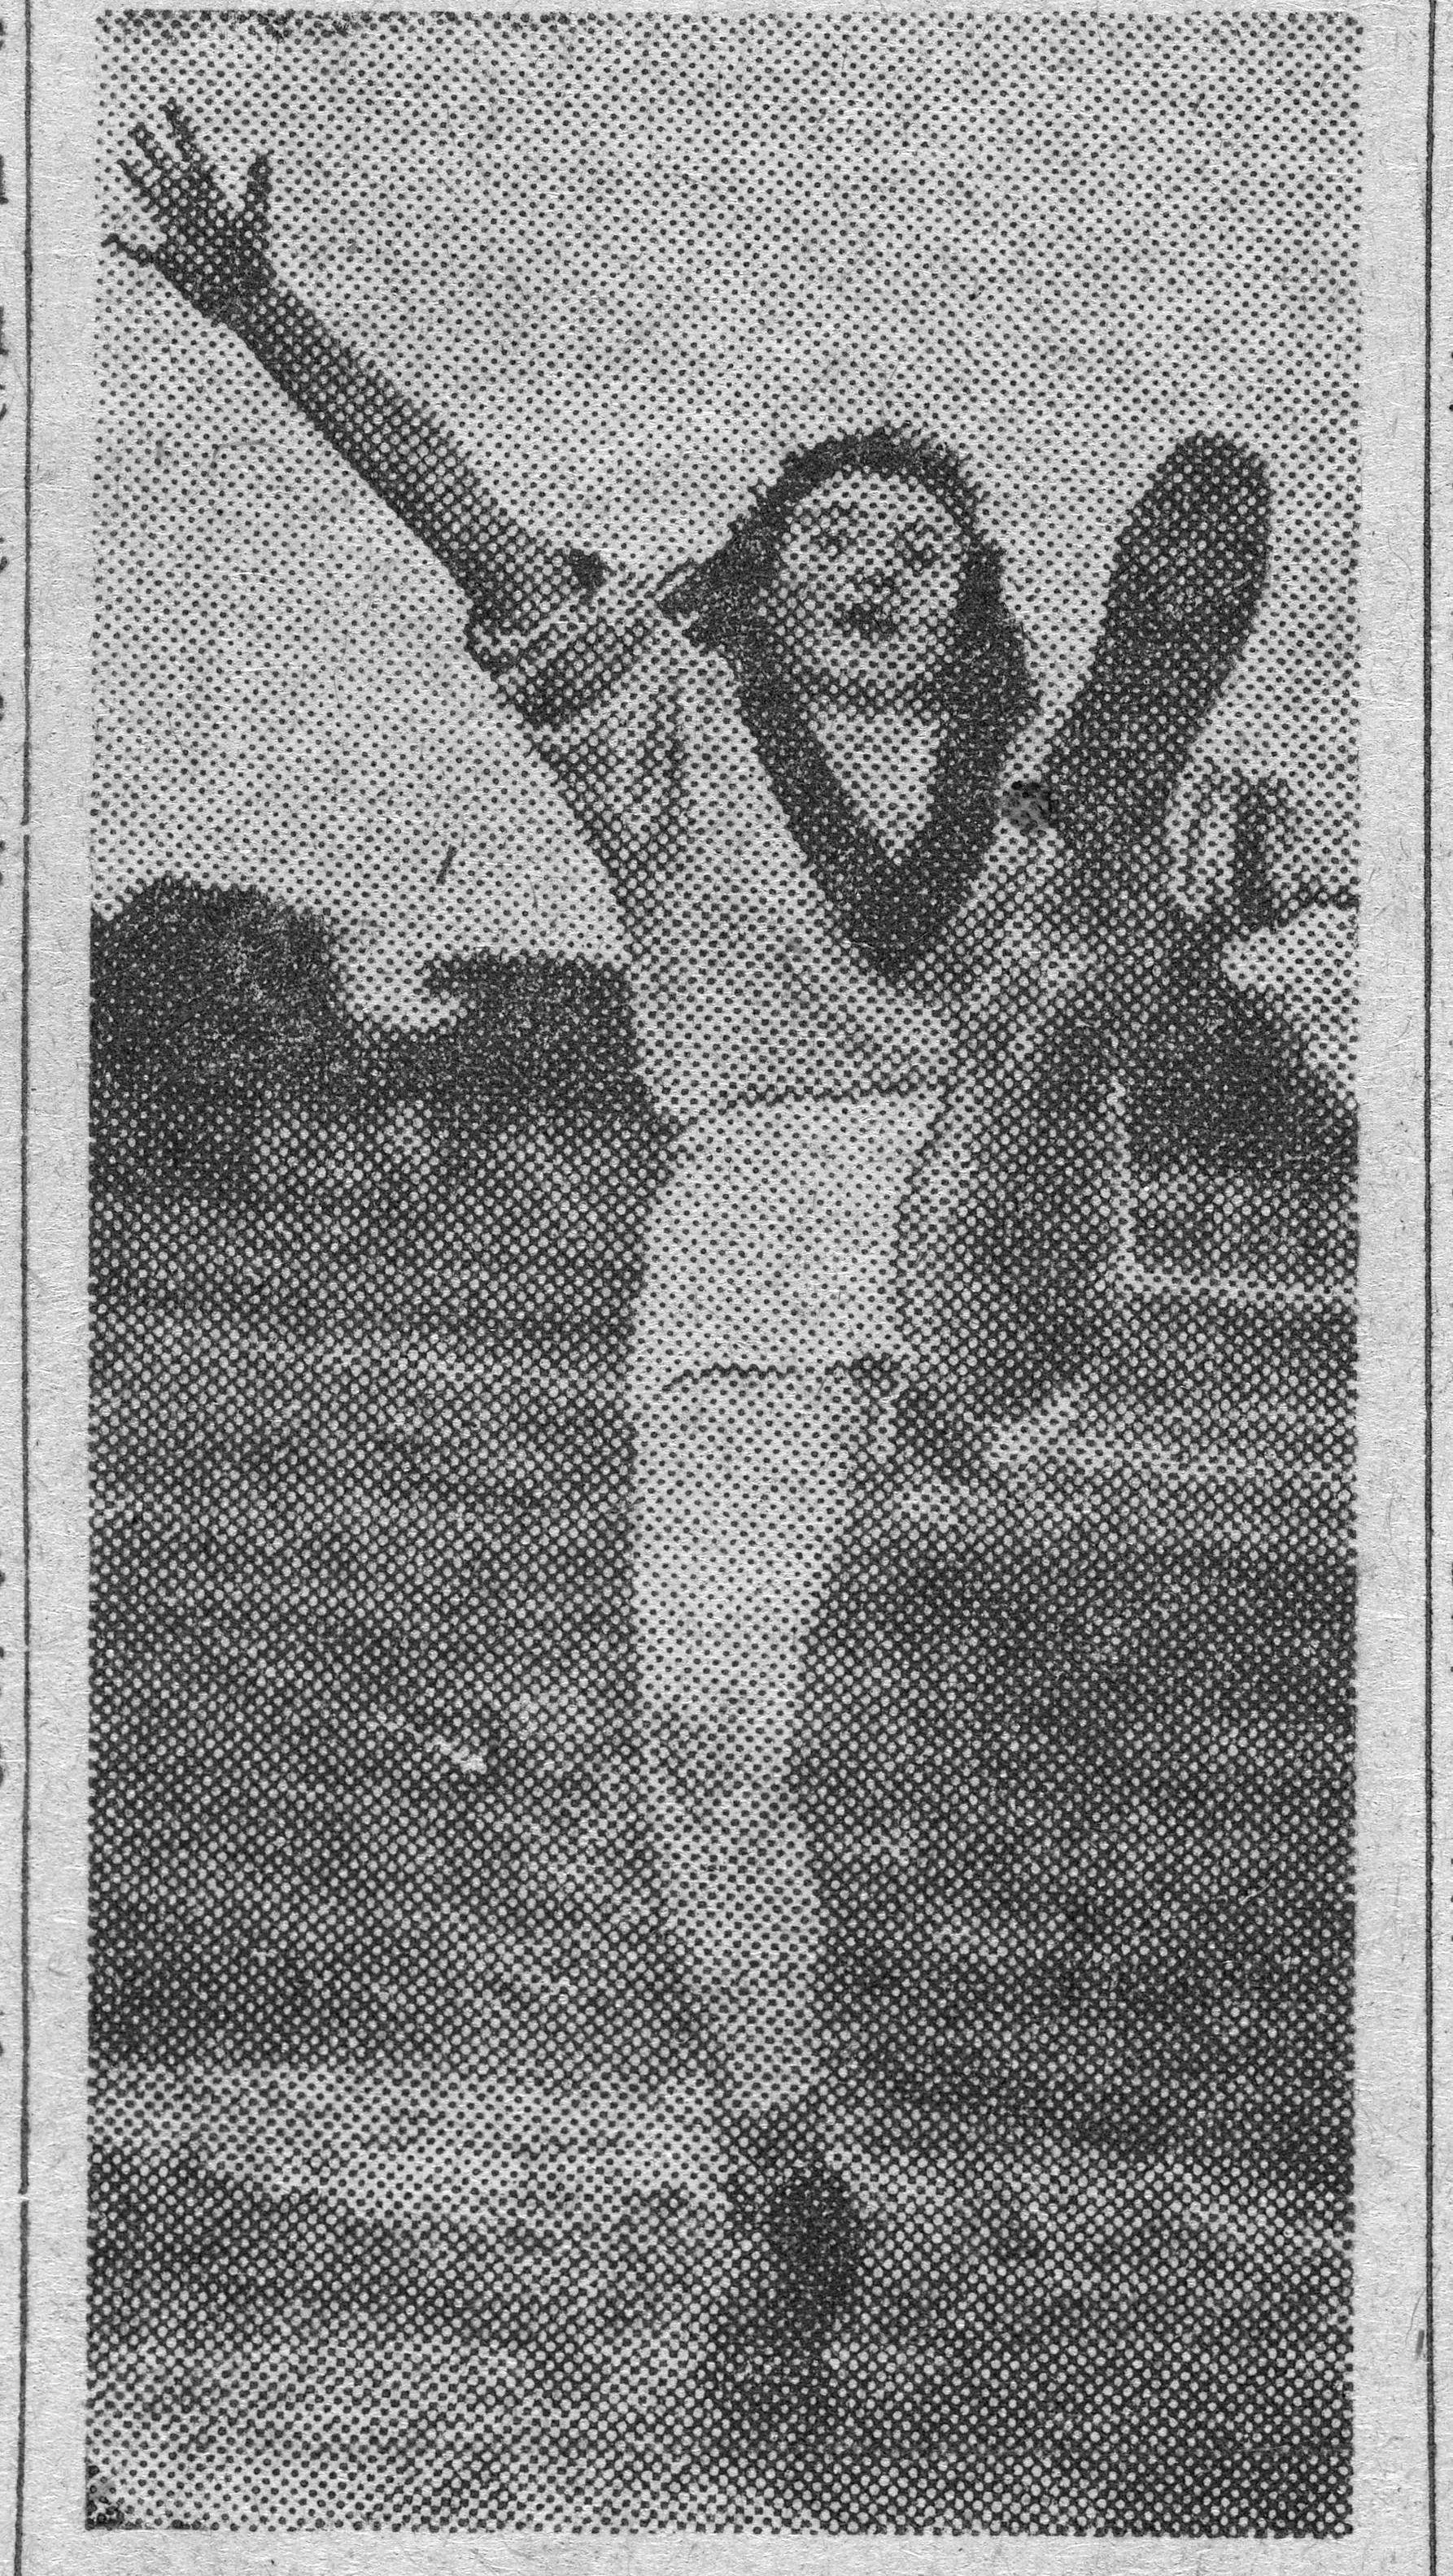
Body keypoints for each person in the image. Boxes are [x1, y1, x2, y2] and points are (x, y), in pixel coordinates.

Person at [112, 109, 1334, 2404]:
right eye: (831, 535)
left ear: (979, 606)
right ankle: (786, 2182)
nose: (875, 560)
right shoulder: (653, 718)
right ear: (754, 583)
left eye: (925, 544)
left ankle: (1088, 958)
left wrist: (1290, 854)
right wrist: (262, 308)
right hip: (754, 1205)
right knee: (699, 1729)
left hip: (997, 1184)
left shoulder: (1049, 751)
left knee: (1071, 979)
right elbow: (450, 506)